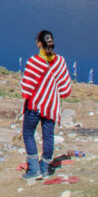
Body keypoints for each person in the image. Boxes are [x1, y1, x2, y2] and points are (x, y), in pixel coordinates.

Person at [20, 29, 72, 179]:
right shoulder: (60, 61)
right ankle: (45, 168)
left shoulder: (34, 61)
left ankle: (33, 169)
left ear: (39, 44)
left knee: (28, 134)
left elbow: (27, 87)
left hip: (35, 105)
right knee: (48, 137)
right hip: (51, 106)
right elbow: (64, 86)